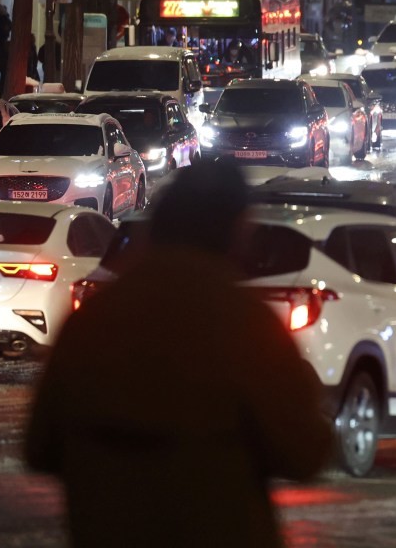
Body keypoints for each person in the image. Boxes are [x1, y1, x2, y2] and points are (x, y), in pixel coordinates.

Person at [24, 161, 333, 548]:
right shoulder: (245, 325)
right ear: (236, 231)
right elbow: (303, 453)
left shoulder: (96, 320)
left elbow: (39, 447)